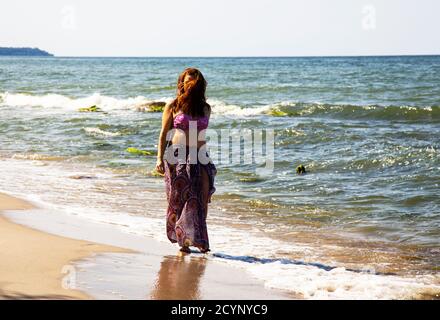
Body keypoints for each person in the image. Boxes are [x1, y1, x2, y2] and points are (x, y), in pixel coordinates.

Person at [155, 68, 216, 254]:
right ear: (181, 83)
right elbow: (164, 134)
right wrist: (158, 158)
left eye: (195, 82)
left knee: (202, 199)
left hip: (200, 156)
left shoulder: (206, 108)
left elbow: (202, 136)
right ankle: (184, 242)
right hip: (177, 156)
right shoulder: (172, 106)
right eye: (187, 81)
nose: (191, 85)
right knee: (180, 199)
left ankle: (200, 240)